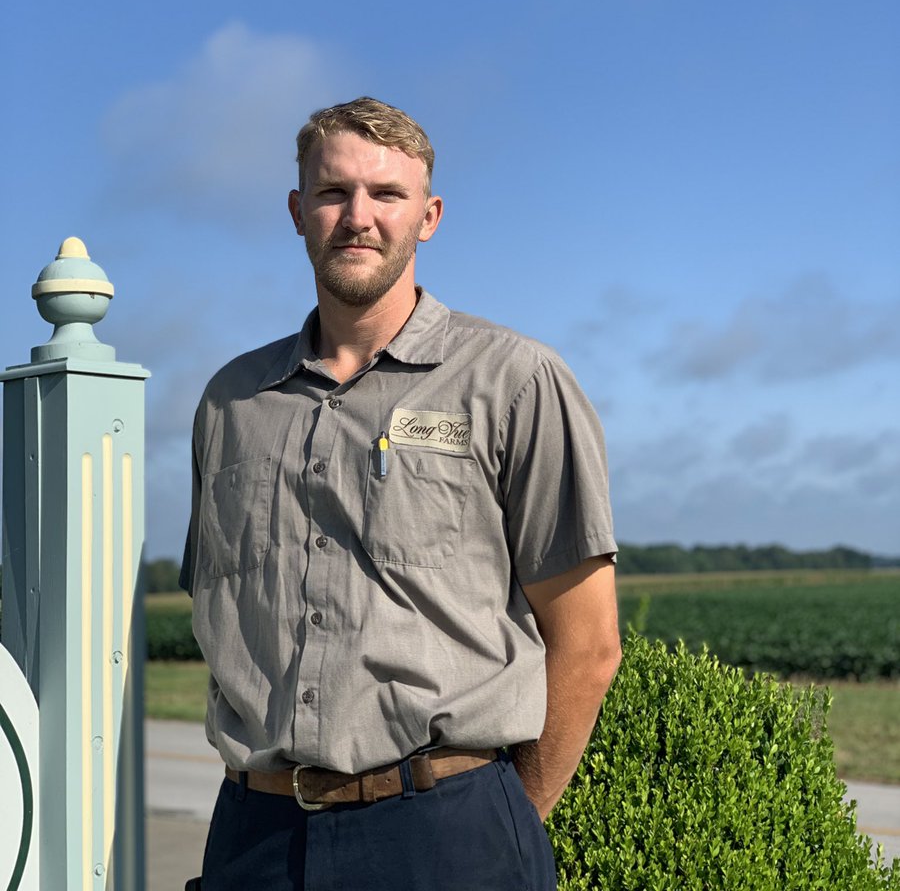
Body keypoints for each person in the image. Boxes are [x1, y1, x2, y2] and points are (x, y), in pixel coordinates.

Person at [180, 97, 621, 891]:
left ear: (429, 216)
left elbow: (588, 646)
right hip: (254, 837)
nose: (358, 217)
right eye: (333, 192)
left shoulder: (514, 382)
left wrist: (505, 824)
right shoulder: (230, 403)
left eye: (387, 194)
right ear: (298, 211)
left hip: (449, 836)